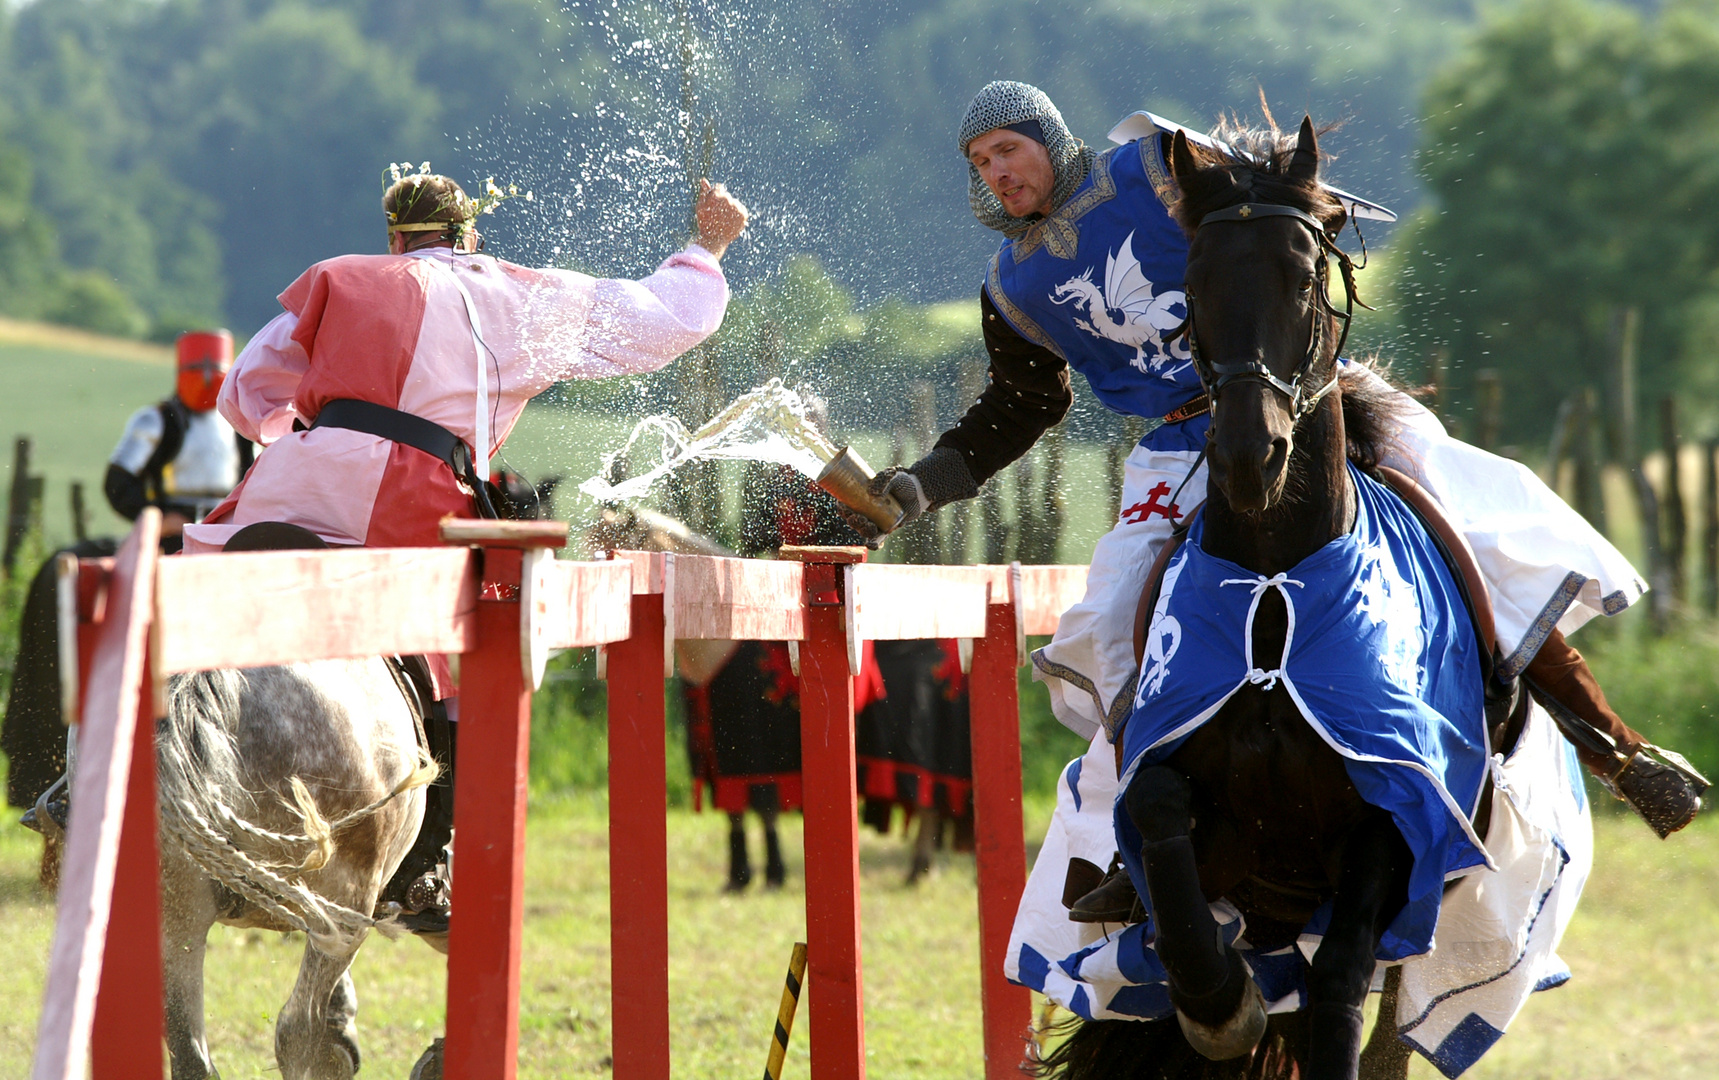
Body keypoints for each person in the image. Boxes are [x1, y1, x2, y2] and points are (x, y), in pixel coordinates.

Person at [841, 80, 1703, 938]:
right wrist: (917, 486)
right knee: (1104, 622)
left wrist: (1273, 180)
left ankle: (1610, 745)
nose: (998, 172)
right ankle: (1126, 849)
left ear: (1048, 139)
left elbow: (1269, 200)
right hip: (1181, 446)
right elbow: (1017, 406)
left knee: (1457, 515)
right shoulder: (1010, 286)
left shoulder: (1154, 167)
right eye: (981, 162)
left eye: (1007, 149)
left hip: (1303, 397)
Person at [181, 165, 750, 931]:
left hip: (294, 476)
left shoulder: (335, 279)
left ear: (394, 239)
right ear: (468, 235)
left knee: (191, 617)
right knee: (461, 654)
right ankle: (429, 869)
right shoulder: (517, 292)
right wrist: (705, 250)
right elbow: (662, 323)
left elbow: (244, 392)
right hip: (410, 493)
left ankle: (93, 790)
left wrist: (304, 442)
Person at [7, 330, 251, 863]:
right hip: (160, 540)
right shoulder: (156, 421)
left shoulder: (242, 430)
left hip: (218, 544)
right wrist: (162, 516)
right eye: (201, 369)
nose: (209, 379)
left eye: (217, 369)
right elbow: (119, 483)